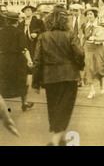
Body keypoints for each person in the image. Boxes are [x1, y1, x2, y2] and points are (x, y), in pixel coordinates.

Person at [32, 8, 84, 146]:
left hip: (49, 77)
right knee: (65, 108)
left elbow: (37, 61)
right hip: (69, 75)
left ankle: (58, 138)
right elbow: (79, 53)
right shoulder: (71, 34)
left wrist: (35, 83)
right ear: (65, 21)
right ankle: (55, 139)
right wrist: (79, 67)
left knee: (53, 107)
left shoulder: (43, 36)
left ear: (48, 21)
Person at [0, 12, 35, 112]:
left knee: (2, 82)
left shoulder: (1, 32)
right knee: (22, 81)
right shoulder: (19, 32)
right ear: (17, 21)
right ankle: (24, 103)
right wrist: (29, 60)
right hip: (17, 60)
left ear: (7, 21)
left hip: (3, 60)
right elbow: (24, 48)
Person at [81, 8, 104, 99]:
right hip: (88, 49)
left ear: (95, 15)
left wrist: (98, 39)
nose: (89, 16)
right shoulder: (85, 25)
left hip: (98, 48)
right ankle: (92, 90)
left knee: (99, 68)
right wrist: (81, 48)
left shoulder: (101, 25)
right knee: (89, 69)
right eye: (88, 14)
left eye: (91, 14)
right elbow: (83, 37)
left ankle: (102, 81)